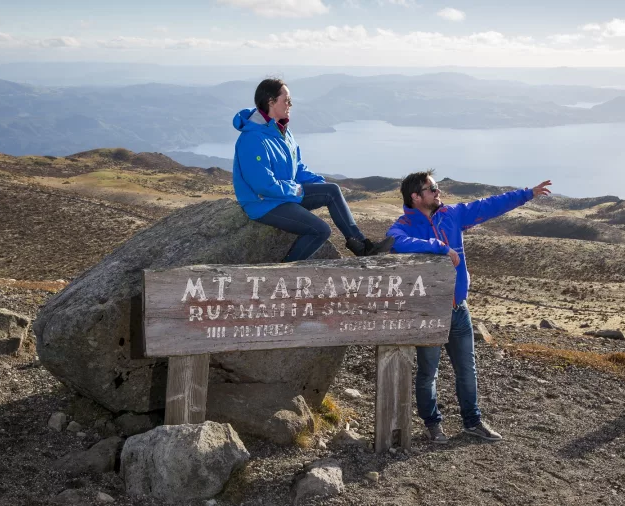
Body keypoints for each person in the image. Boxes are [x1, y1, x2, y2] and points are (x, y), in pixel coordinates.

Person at [387, 170, 552, 443]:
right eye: (432, 189)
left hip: (458, 308)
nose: (438, 192)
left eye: (436, 187)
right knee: (429, 372)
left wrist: (528, 194)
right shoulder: (403, 224)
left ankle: (472, 422)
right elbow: (396, 242)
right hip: (429, 312)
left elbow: (488, 205)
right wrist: (440, 247)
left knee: (467, 368)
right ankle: (433, 425)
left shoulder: (452, 214)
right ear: (416, 197)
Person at [232, 78, 394, 261]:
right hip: (264, 203)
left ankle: (362, 246)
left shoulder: (282, 131)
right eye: (286, 100)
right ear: (271, 102)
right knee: (321, 230)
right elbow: (263, 185)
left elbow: (298, 167)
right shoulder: (252, 139)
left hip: (284, 195)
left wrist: (319, 185)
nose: (290, 105)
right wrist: (297, 190)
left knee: (332, 191)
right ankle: (284, 271)